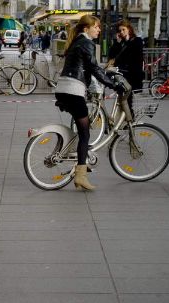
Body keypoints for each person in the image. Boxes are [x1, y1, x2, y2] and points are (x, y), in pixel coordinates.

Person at [54, 15, 125, 191]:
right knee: (85, 133)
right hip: (73, 90)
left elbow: (88, 68)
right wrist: (113, 85)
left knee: (82, 128)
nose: (99, 30)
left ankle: (79, 163)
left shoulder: (77, 41)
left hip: (64, 88)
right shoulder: (86, 43)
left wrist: (104, 77)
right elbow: (94, 68)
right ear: (87, 29)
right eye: (96, 27)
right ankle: (81, 176)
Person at [107, 20, 144, 110]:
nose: (122, 32)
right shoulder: (121, 43)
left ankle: (129, 121)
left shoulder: (137, 41)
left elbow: (135, 56)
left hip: (132, 76)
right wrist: (117, 43)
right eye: (120, 31)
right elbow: (112, 56)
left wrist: (127, 41)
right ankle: (126, 120)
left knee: (127, 102)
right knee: (122, 102)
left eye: (123, 29)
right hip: (121, 76)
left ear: (129, 29)